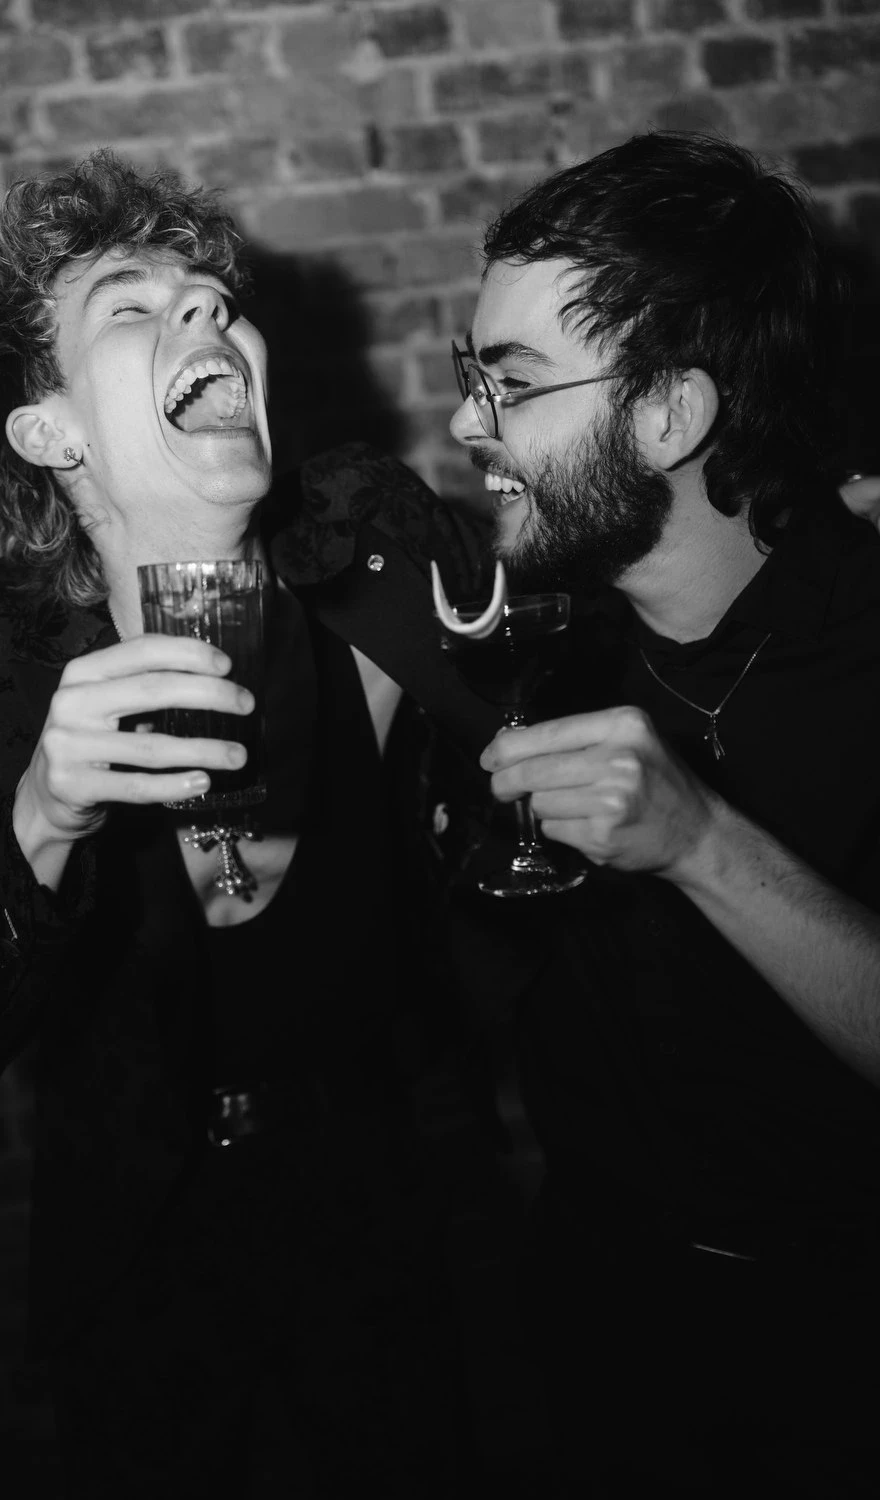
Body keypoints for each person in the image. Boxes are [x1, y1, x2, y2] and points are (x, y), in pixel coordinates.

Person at [0, 150, 499, 1497]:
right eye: (132, 304)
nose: (206, 311)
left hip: (388, 1231)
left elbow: (549, 665)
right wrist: (45, 813)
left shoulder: (371, 549)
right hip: (144, 1276)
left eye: (212, 297)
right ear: (51, 432)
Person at [445, 130, 880, 1495]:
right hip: (601, 1341)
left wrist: (702, 844)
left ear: (669, 416)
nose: (468, 425)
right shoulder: (546, 656)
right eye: (474, 377)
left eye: (513, 383)